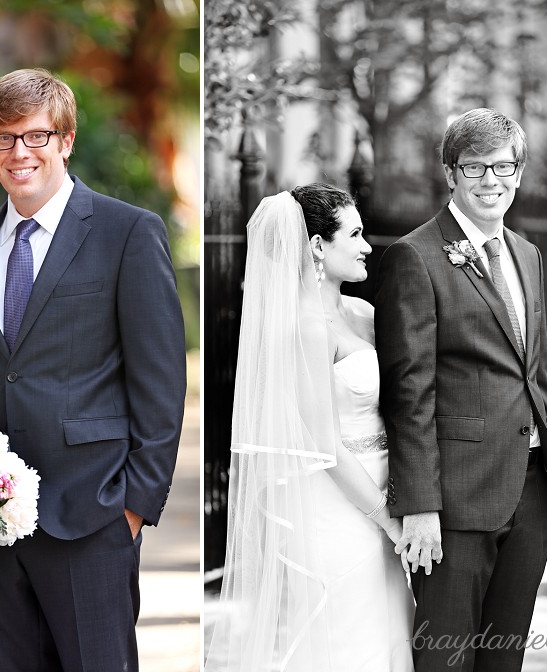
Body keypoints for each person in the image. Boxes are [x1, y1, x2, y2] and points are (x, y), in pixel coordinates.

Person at [0, 68, 186, 672]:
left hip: (92, 514)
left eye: (36, 136)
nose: (19, 152)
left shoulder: (127, 231)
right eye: (4, 137)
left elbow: (160, 381)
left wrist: (134, 507)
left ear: (66, 140)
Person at [374, 108, 547, 671]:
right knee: (446, 657)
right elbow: (408, 393)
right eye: (474, 168)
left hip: (532, 487)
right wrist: (420, 506)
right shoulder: (414, 257)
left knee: (504, 657)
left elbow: (531, 368)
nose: (491, 180)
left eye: (503, 166)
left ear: (519, 171)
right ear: (450, 173)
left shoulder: (527, 254)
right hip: (456, 500)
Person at [205, 185, 413, 672]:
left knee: (393, 634)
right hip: (339, 509)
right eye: (355, 234)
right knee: (352, 640)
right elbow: (323, 445)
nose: (366, 246)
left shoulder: (362, 315)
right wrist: (386, 519)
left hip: (385, 489)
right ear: (317, 246)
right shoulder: (303, 326)